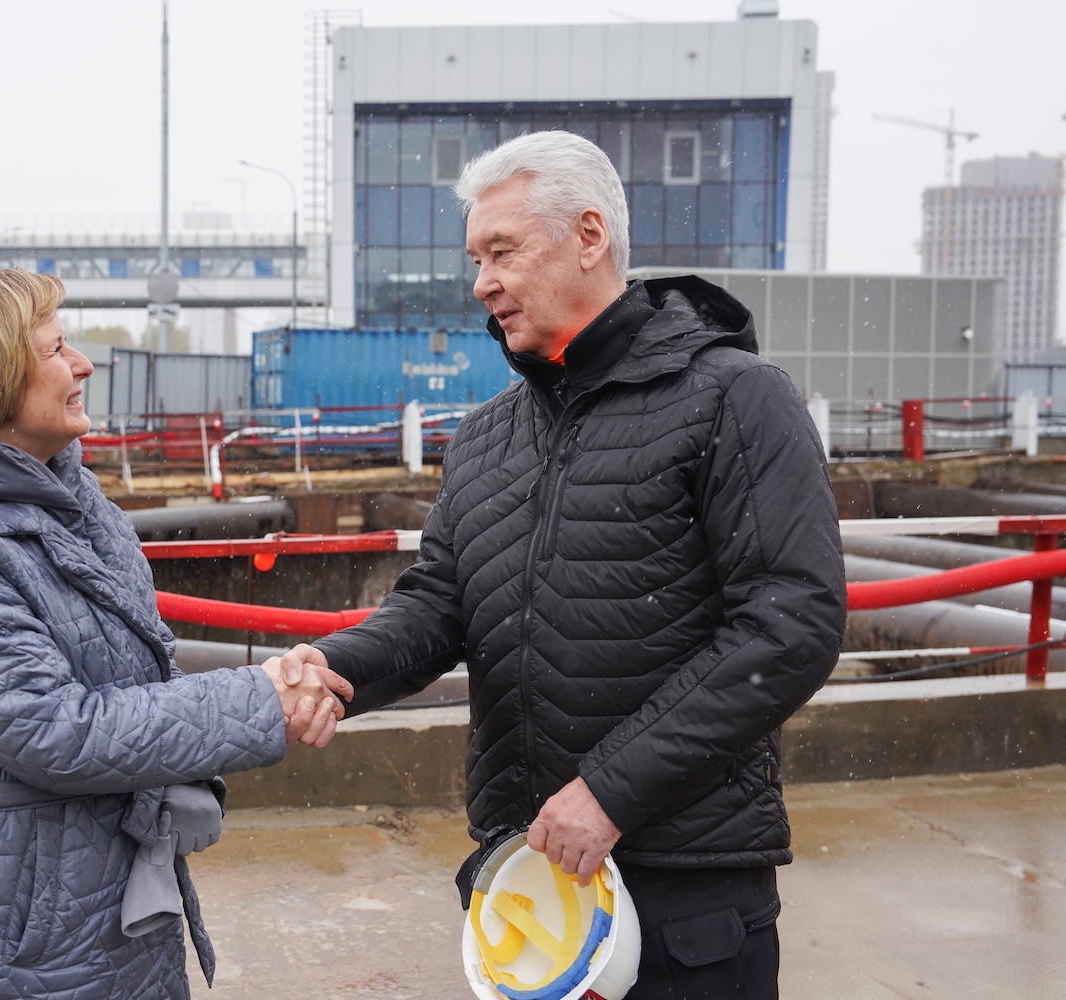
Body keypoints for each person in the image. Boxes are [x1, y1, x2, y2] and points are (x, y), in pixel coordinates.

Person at [279, 130, 845, 998]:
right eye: (476, 259)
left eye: (502, 251)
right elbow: (438, 604)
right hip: (532, 883)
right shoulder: (486, 438)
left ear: (588, 236)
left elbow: (790, 623)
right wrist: (336, 665)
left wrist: (610, 792)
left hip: (684, 891)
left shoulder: (735, 397)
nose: (482, 282)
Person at [0, 268, 351, 1000]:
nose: (82, 364)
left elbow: (137, 676)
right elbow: (55, 731)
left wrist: (234, 723)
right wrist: (258, 699)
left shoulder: (73, 500)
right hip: (4, 925)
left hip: (92, 898)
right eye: (55, 350)